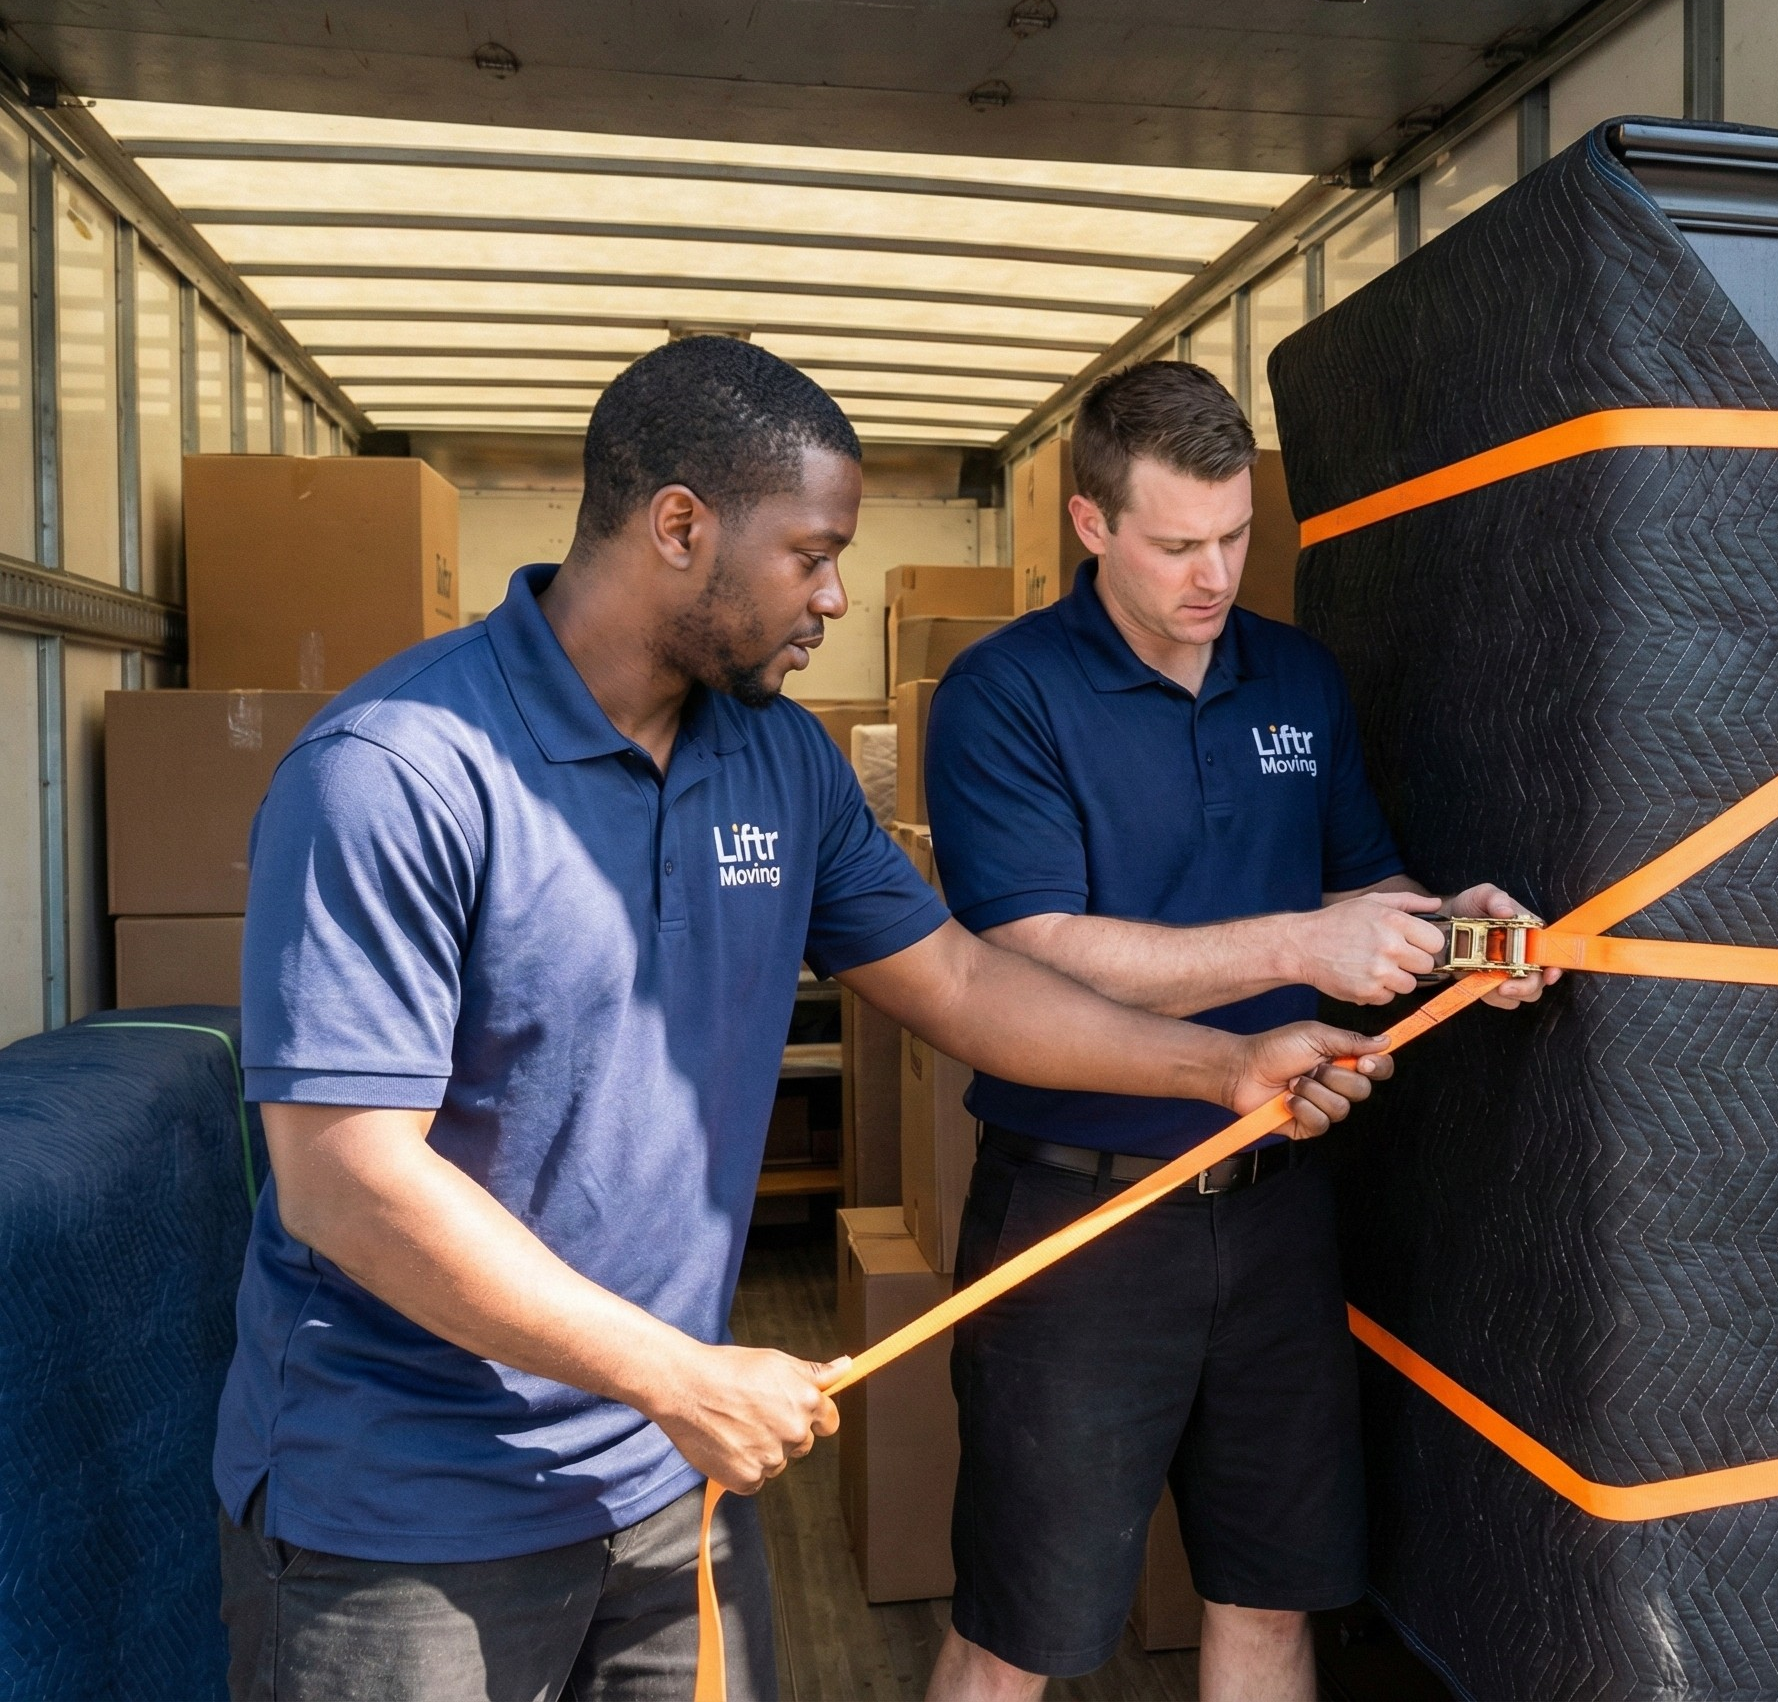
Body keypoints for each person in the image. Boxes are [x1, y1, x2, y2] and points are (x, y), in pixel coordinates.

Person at [212, 337, 1392, 1702]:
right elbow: (346, 1179)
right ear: (678, 528)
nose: (837, 595)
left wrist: (1227, 1065)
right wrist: (677, 1375)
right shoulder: (400, 772)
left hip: (670, 1496)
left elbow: (954, 981)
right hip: (406, 1516)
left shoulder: (777, 758)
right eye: (811, 554)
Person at [922, 360, 1557, 1702]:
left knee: (1273, 1600)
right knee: (1014, 1637)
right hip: (1077, 1222)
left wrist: (1453, 934)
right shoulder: (1006, 695)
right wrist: (1294, 946)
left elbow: (1362, 887)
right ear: (1093, 525)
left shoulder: (1299, 682)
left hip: (1277, 1212)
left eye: (1234, 536)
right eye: (1176, 544)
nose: (1213, 574)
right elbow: (1029, 955)